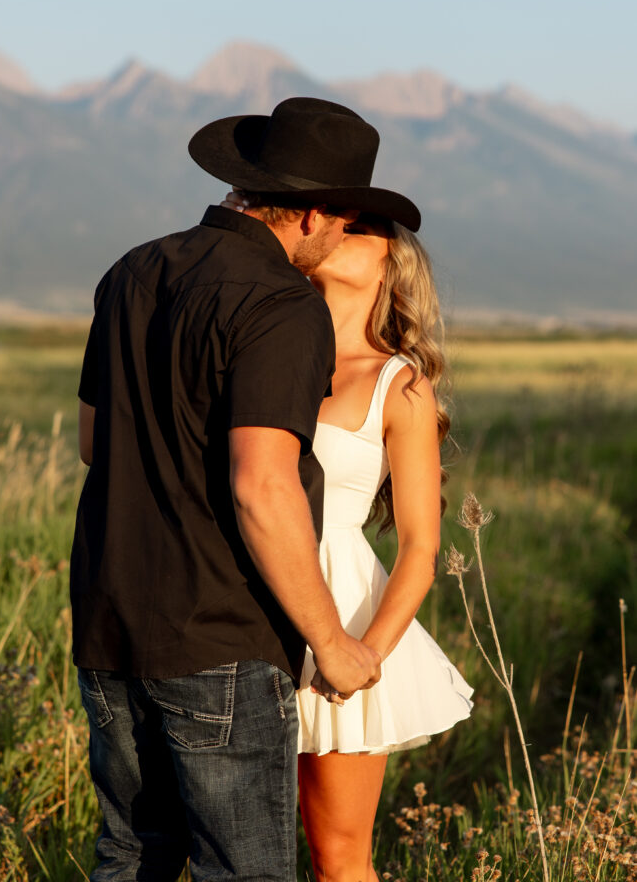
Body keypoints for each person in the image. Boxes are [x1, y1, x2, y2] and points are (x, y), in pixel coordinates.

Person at [71, 97, 422, 881]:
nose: (339, 238)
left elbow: (95, 444)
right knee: (247, 870)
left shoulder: (132, 270)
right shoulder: (279, 303)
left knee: (131, 854)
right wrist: (331, 643)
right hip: (219, 635)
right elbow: (264, 487)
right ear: (311, 215)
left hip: (107, 622)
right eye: (343, 220)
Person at [222, 195, 474, 882]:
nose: (332, 230)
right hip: (236, 611)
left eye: (356, 228)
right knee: (232, 851)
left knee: (337, 859)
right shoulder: (260, 346)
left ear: (388, 258)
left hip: (340, 622)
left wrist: (366, 654)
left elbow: (420, 546)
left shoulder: (400, 382)